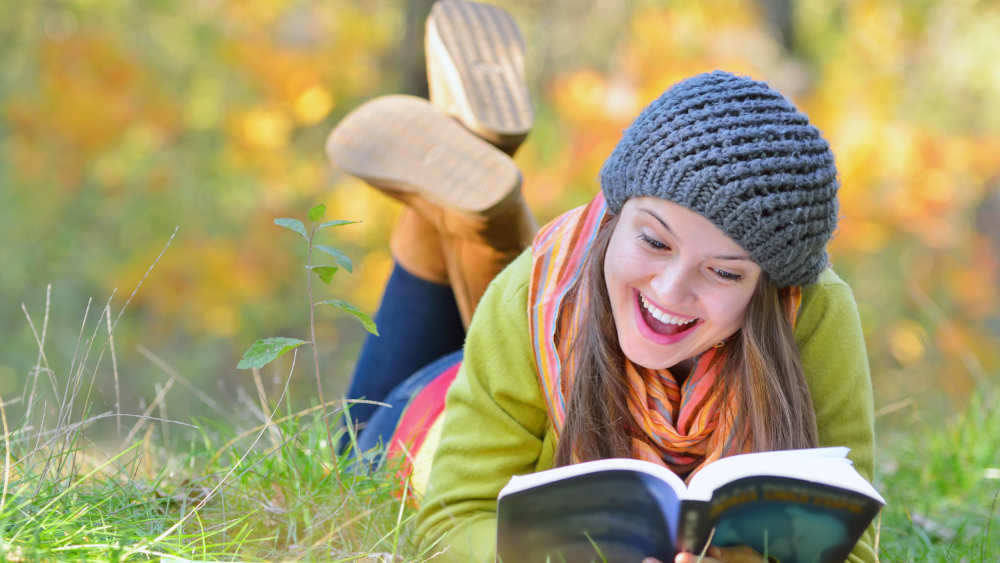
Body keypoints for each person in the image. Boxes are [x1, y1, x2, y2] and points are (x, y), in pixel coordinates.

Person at [325, 2, 877, 562]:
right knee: (350, 447)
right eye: (655, 241)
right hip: (426, 419)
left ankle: (477, 187)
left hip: (526, 357)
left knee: (557, 298)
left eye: (724, 271)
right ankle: (470, 211)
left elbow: (849, 543)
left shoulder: (811, 311)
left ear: (772, 286)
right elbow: (447, 523)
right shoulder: (531, 293)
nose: (669, 290)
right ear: (612, 215)